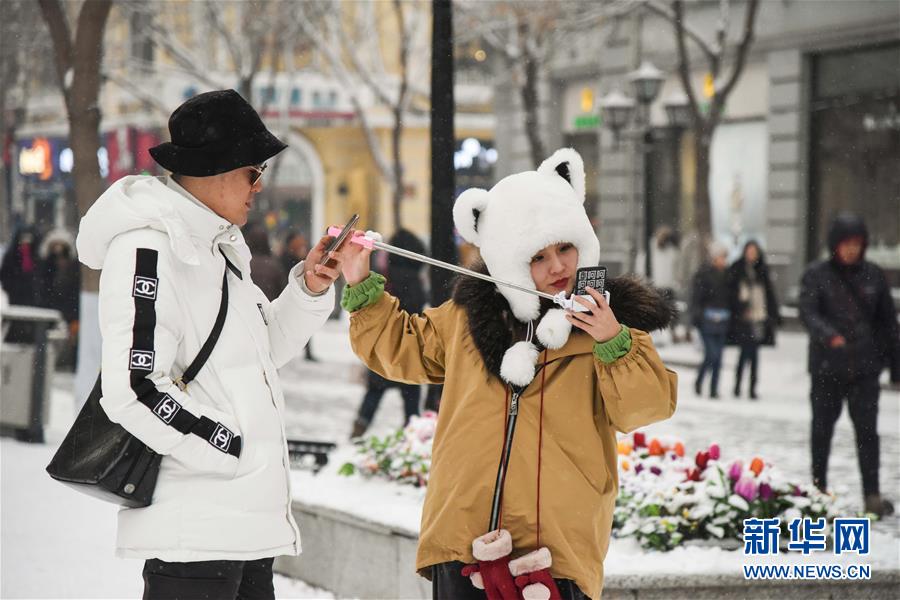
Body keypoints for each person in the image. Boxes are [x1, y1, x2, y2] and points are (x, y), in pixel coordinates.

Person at [339, 149, 677, 600]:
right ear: (508, 260)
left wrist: (613, 341)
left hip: (556, 550)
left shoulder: (610, 326)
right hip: (463, 540)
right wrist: (359, 282)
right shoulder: (466, 319)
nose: (557, 266)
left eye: (565, 248)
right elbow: (402, 348)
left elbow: (646, 406)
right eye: (538, 256)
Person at [74, 89, 343, 599]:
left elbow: (263, 351)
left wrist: (309, 288)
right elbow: (134, 388)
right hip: (194, 535)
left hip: (245, 529)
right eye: (253, 172)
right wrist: (231, 449)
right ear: (216, 170)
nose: (259, 186)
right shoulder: (148, 249)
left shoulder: (219, 247)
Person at [799, 212, 899, 518]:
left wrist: (895, 365)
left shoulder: (874, 275)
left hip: (865, 369)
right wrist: (829, 336)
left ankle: (872, 495)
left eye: (857, 243)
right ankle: (818, 491)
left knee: (868, 435)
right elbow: (808, 312)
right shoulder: (817, 275)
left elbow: (888, 323)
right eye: (846, 243)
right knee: (822, 432)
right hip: (827, 368)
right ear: (835, 244)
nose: (852, 249)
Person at [350, 229, 426, 438]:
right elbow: (416, 309)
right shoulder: (414, 279)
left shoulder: (386, 274)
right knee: (411, 397)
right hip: (408, 346)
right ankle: (413, 437)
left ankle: (357, 433)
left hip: (384, 342)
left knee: (374, 392)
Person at [726, 240, 780, 399]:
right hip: (743, 318)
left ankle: (752, 388)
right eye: (749, 251)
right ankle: (737, 386)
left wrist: (773, 315)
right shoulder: (737, 269)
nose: (751, 255)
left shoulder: (762, 270)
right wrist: (740, 307)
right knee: (744, 353)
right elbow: (731, 292)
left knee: (755, 354)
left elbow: (769, 294)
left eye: (754, 252)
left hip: (759, 316)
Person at [690, 240, 731, 399]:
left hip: (722, 320)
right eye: (721, 257)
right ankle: (700, 381)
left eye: (724, 257)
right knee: (711, 355)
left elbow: (730, 298)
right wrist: (698, 316)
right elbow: (696, 298)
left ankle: (713, 388)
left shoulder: (728, 275)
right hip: (706, 321)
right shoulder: (703, 274)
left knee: (718, 357)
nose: (723, 260)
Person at [38, 229, 81, 369]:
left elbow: (74, 290)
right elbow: (42, 288)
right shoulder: (46, 266)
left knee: (71, 341)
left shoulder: (73, 268)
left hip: (69, 310)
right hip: (49, 309)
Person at [0, 226, 43, 342]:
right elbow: (5, 275)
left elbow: (39, 276)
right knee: (16, 322)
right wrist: (13, 288)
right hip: (16, 296)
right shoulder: (11, 256)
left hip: (32, 297)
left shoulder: (35, 256)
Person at [281, 230, 318, 361]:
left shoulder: (304, 255)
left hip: (302, 294)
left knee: (305, 324)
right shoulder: (285, 257)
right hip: (289, 294)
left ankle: (307, 351)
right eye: (298, 241)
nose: (301, 244)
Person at [243, 222, 287, 301]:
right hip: (269, 305)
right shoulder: (274, 265)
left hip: (248, 304)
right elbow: (282, 292)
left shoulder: (244, 263)